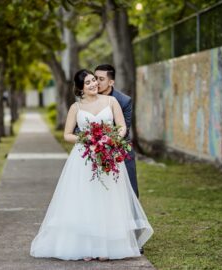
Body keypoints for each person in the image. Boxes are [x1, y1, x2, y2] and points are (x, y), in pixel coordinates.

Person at [30, 69, 153, 261]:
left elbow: (121, 126)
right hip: (83, 158)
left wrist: (111, 140)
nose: (94, 84)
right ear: (80, 88)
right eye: (88, 82)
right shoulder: (76, 108)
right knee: (86, 200)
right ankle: (86, 245)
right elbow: (67, 134)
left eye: (94, 80)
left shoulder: (111, 102)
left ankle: (108, 245)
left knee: (108, 199)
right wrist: (86, 137)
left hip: (108, 155)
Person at [94, 64, 139, 198]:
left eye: (101, 79)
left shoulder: (124, 101)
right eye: (95, 78)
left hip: (119, 146)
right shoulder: (88, 97)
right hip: (93, 147)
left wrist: (106, 143)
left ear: (111, 82)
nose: (96, 82)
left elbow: (124, 128)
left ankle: (131, 215)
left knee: (128, 189)